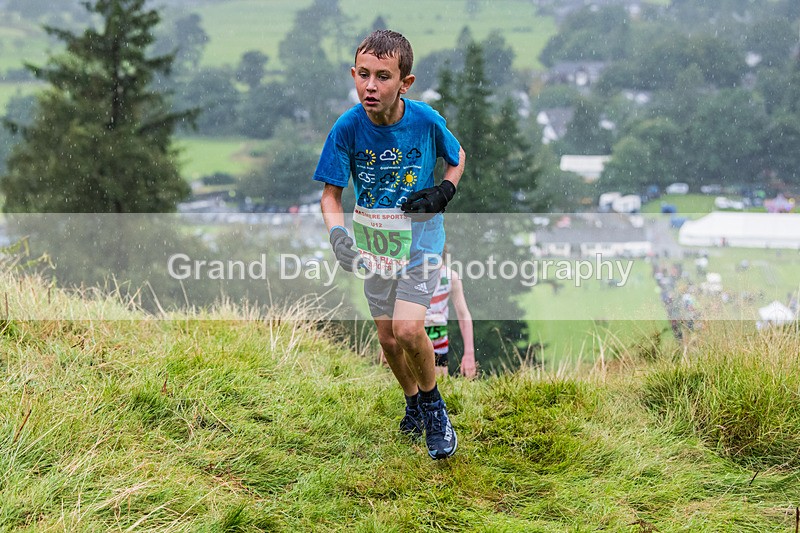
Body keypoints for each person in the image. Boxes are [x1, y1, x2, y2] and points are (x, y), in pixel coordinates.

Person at [313, 30, 466, 460]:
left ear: (405, 82)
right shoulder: (347, 127)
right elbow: (330, 195)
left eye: (383, 76)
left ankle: (435, 408)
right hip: (374, 247)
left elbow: (457, 157)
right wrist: (338, 235)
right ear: (353, 74)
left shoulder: (424, 120)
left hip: (422, 244)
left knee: (407, 328)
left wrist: (444, 191)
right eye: (363, 75)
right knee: (387, 338)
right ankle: (414, 402)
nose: (370, 86)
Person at [425, 255, 476, 378]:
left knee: (440, 385)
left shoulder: (450, 277)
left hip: (438, 336)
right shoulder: (409, 275)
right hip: (412, 334)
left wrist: (469, 354)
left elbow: (464, 315)